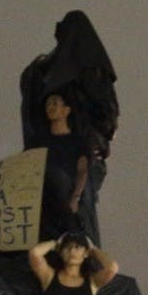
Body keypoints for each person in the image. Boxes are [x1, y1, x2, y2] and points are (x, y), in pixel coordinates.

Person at [37, 90, 100, 244]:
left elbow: (82, 170)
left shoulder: (77, 141)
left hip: (67, 199)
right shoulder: (39, 142)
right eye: (48, 104)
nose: (50, 107)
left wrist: (75, 197)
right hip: (45, 202)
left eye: (55, 103)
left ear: (66, 110)